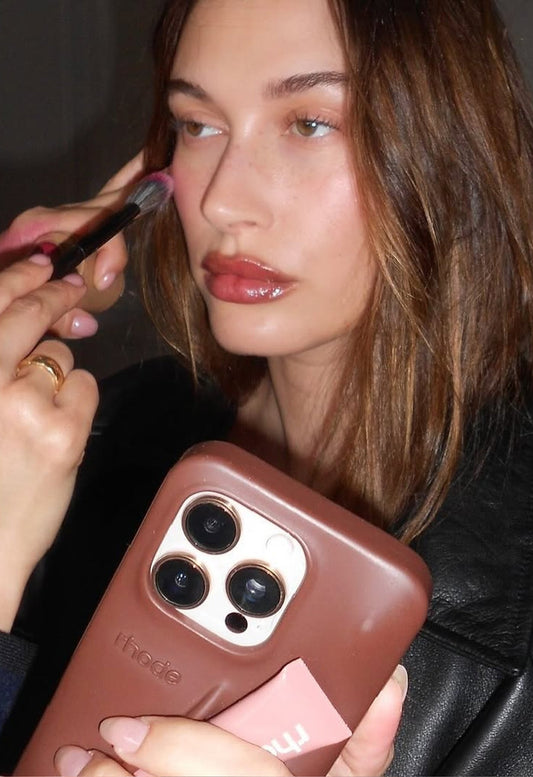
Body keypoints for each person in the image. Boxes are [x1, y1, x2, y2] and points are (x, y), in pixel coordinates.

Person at [1, 0, 533, 774]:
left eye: (308, 123)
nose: (220, 201)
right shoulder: (88, 443)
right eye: (197, 124)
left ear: (451, 150)